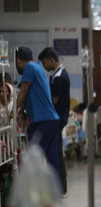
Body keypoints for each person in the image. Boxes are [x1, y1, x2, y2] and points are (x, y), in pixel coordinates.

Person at [15, 47, 61, 185]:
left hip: (43, 121)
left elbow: (23, 91)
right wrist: (22, 109)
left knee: (36, 156)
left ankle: (37, 190)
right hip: (52, 119)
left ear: (18, 61)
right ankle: (55, 189)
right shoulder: (38, 66)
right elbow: (31, 92)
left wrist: (12, 111)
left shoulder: (28, 67)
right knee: (52, 156)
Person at [38, 47, 70, 197]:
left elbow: (54, 100)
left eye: (44, 63)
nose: (43, 66)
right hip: (60, 117)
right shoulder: (60, 74)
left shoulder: (59, 77)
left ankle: (61, 187)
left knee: (57, 153)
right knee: (57, 152)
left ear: (51, 60)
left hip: (57, 118)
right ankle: (61, 186)